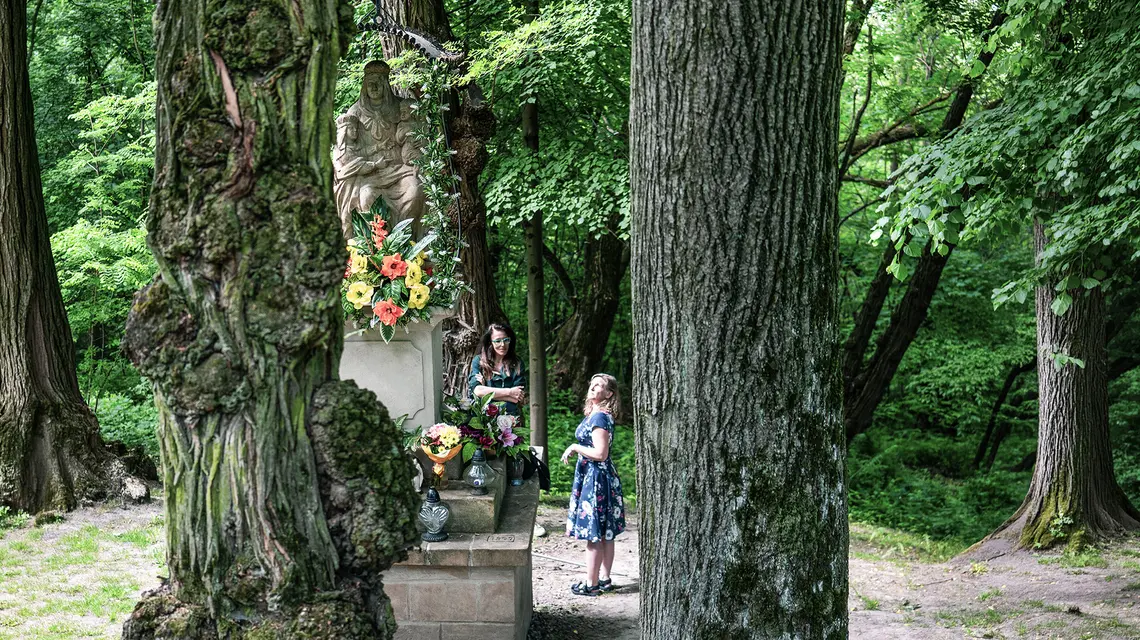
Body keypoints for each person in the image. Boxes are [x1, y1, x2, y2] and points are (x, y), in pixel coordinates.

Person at [561, 373, 626, 596]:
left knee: (594, 534)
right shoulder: (600, 414)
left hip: (596, 479)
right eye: (592, 383)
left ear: (609, 394)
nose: (593, 387)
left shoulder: (599, 418)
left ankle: (591, 584)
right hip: (600, 477)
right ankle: (605, 579)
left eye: (600, 385)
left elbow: (600, 453)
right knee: (606, 532)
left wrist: (574, 447)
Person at [468, 323, 526, 415]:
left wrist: (486, 392)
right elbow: (477, 390)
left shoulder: (517, 363)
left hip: (510, 420)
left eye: (506, 340)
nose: (503, 344)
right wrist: (509, 392)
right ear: (490, 342)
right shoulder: (479, 361)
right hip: (483, 420)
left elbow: (517, 397)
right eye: (497, 341)